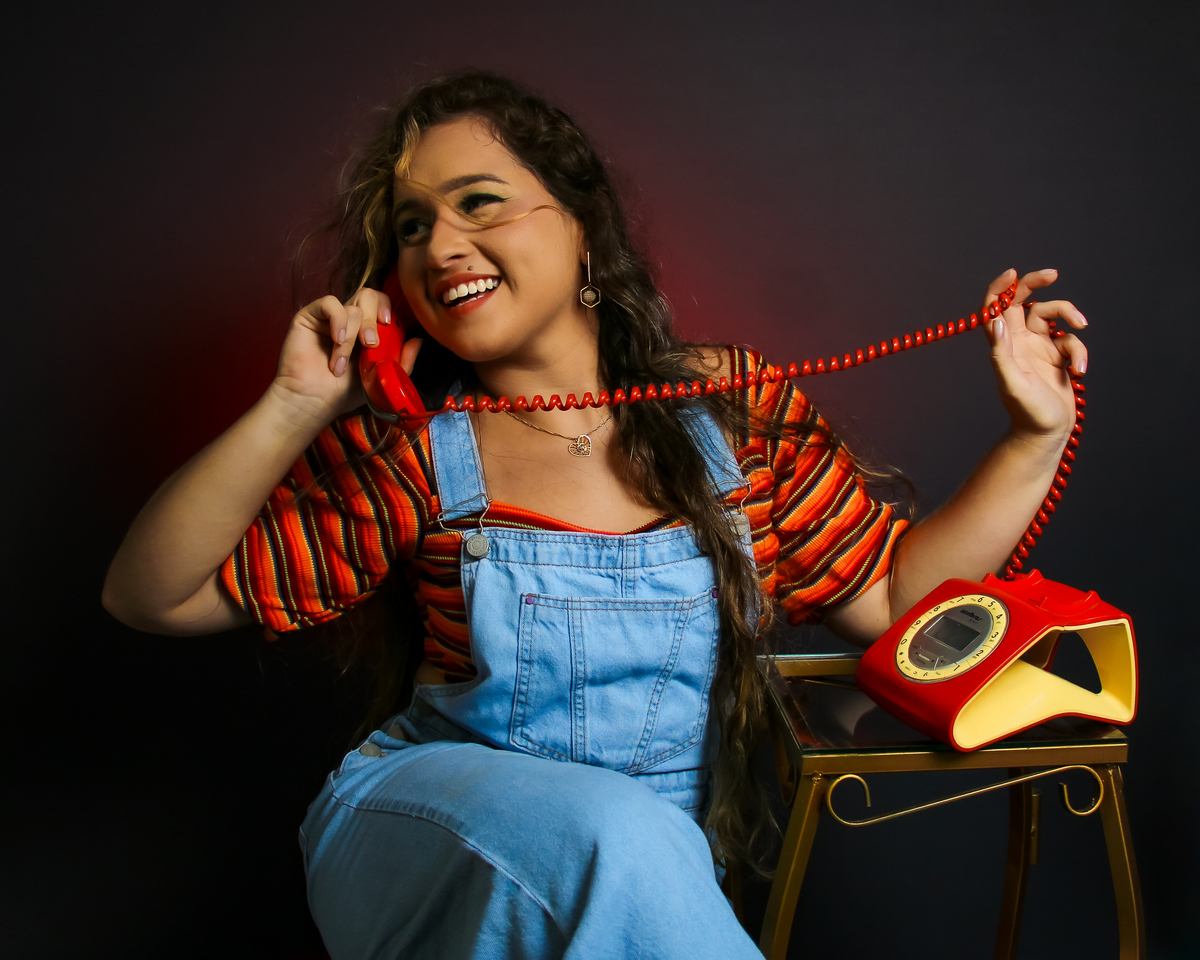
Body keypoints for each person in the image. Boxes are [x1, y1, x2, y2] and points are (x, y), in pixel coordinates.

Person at [101, 72, 1089, 958]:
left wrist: (1033, 436)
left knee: (637, 842)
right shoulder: (416, 453)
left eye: (477, 202)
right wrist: (294, 405)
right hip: (429, 828)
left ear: (581, 228)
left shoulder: (731, 413)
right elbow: (151, 596)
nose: (439, 245)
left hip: (639, 875)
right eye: (410, 227)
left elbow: (901, 611)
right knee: (621, 833)